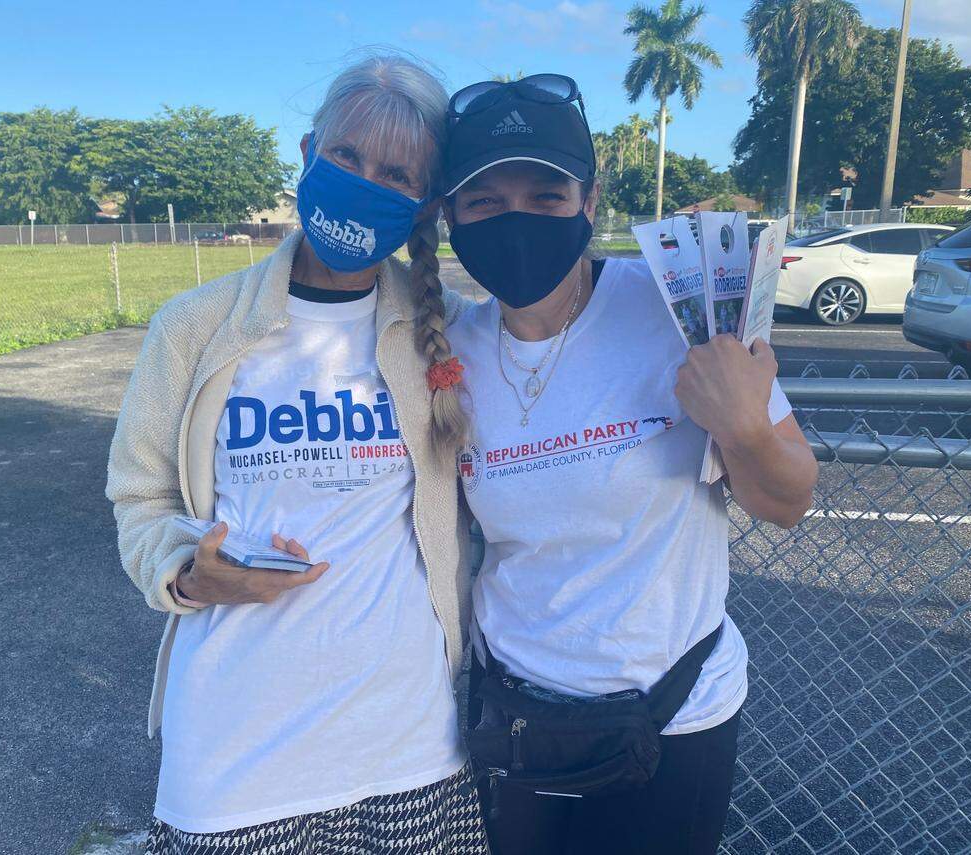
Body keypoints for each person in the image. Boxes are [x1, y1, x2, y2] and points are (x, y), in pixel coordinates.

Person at [105, 54, 486, 855]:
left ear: (423, 204)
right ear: (309, 150)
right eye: (346, 156)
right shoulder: (195, 325)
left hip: (409, 746)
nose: (363, 180)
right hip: (234, 756)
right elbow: (139, 498)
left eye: (395, 172)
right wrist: (185, 571)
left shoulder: (441, 338)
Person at [439, 74, 818, 854]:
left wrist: (743, 427)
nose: (515, 220)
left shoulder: (680, 310)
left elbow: (789, 499)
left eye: (545, 196)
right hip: (518, 723)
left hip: (674, 719)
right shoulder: (448, 347)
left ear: (589, 198)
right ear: (450, 214)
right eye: (483, 201)